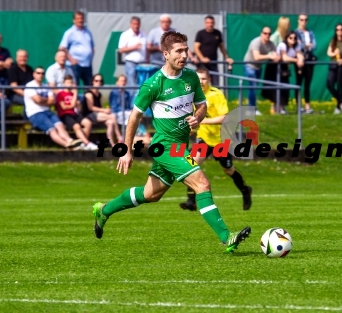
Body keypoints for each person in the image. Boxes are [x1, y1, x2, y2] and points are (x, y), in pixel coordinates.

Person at [92, 31, 251, 253]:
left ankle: (104, 210)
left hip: (182, 145)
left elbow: (202, 105)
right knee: (202, 184)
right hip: (166, 147)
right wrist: (126, 150)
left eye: (185, 50)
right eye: (179, 51)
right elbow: (134, 117)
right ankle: (227, 237)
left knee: (151, 194)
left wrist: (198, 116)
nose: (184, 55)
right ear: (165, 54)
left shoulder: (191, 77)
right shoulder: (153, 84)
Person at [180, 67, 253, 211]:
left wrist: (200, 121)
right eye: (198, 78)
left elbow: (225, 117)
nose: (201, 81)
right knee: (190, 164)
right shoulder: (190, 95)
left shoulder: (216, 94)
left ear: (209, 80)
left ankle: (245, 190)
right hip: (204, 138)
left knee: (228, 170)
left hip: (221, 140)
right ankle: (191, 201)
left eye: (204, 78)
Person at [24, 67, 82, 149]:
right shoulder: (30, 85)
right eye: (38, 73)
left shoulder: (46, 86)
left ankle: (70, 141)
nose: (40, 75)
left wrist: (42, 100)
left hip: (47, 111)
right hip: (35, 113)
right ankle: (67, 145)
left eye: (42, 73)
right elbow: (37, 100)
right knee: (52, 130)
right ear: (34, 74)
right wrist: (46, 100)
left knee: (60, 125)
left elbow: (53, 101)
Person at [243, 27, 279, 116]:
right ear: (261, 33)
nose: (267, 35)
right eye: (265, 33)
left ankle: (251, 108)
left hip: (259, 67)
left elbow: (276, 55)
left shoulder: (271, 44)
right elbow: (256, 57)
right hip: (249, 65)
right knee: (253, 87)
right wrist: (269, 56)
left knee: (254, 87)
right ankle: (251, 108)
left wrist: (276, 57)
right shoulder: (256, 42)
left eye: (269, 34)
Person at [55, 75, 97, 151]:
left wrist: (75, 99)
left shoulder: (73, 94)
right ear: (64, 83)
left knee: (88, 123)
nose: (69, 84)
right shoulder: (60, 94)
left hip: (74, 114)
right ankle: (87, 143)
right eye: (67, 82)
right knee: (77, 126)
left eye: (71, 82)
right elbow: (64, 107)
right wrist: (73, 102)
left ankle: (83, 144)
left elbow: (77, 107)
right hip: (65, 115)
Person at [82, 74, 122, 146]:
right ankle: (119, 136)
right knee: (112, 116)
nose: (98, 82)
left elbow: (100, 106)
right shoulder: (89, 93)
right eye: (96, 81)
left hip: (97, 115)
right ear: (92, 82)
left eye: (100, 81)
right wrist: (104, 111)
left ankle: (111, 143)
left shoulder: (99, 94)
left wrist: (105, 110)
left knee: (110, 122)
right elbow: (91, 108)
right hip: (89, 115)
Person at [194, 15, 233, 87]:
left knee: (216, 85)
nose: (210, 24)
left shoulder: (217, 33)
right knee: (202, 84)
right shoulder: (200, 34)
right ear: (205, 23)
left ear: (214, 23)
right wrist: (202, 58)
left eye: (211, 23)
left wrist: (227, 58)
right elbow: (196, 48)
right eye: (208, 23)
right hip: (202, 64)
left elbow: (222, 47)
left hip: (214, 63)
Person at [59, 11, 95, 86]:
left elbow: (91, 47)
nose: (80, 20)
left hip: (87, 65)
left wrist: (90, 59)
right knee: (75, 86)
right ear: (74, 20)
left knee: (89, 86)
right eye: (78, 18)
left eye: (81, 18)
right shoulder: (70, 32)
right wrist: (71, 59)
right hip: (75, 65)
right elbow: (62, 48)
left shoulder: (88, 32)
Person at [274, 31, 304, 114]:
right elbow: (284, 58)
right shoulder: (282, 45)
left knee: (285, 87)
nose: (293, 40)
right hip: (276, 67)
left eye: (294, 38)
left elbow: (300, 54)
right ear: (287, 38)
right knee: (277, 88)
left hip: (285, 68)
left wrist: (300, 60)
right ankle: (278, 108)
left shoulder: (297, 45)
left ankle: (282, 108)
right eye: (290, 38)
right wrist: (296, 60)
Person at [118, 16, 147, 93]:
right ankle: (132, 104)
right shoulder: (125, 34)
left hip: (142, 63)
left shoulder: (143, 34)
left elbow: (146, 49)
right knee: (132, 85)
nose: (136, 26)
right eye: (134, 24)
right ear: (130, 24)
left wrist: (147, 59)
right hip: (131, 63)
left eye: (137, 24)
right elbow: (121, 49)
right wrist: (134, 47)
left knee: (142, 84)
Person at [295, 14, 317, 114]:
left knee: (307, 84)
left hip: (309, 60)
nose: (304, 22)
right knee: (299, 83)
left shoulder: (311, 32)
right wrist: (306, 46)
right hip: (299, 60)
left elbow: (315, 45)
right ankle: (298, 106)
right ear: (298, 21)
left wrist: (307, 47)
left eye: (305, 20)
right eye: (302, 20)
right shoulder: (296, 33)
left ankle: (307, 106)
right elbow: (298, 45)